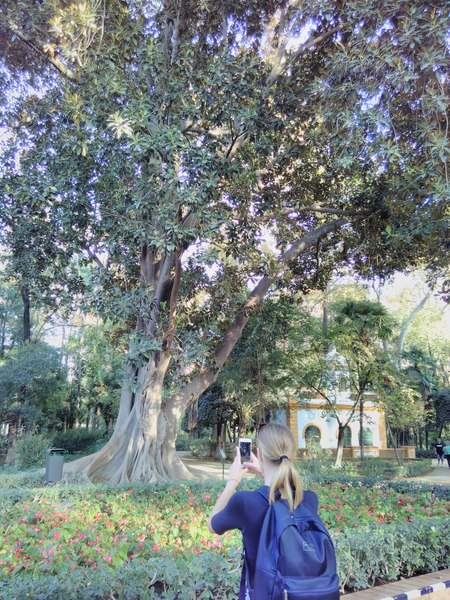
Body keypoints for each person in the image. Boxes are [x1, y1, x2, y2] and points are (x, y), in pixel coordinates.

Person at [207, 423, 318, 599]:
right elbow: (283, 493)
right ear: (292, 455)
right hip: (300, 593)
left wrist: (233, 481)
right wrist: (264, 473)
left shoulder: (245, 502)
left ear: (259, 454)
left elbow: (212, 525)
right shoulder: (309, 500)